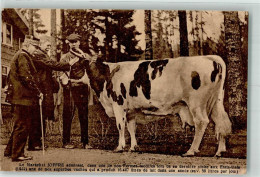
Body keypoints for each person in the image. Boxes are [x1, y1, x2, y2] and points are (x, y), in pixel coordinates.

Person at [28, 35, 79, 151]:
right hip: (40, 90)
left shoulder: (43, 54)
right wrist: (68, 64)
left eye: (50, 46)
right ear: (40, 44)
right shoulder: (38, 54)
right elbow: (52, 65)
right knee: (38, 117)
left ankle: (37, 142)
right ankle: (35, 143)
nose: (49, 48)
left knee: (42, 116)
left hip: (45, 89)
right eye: (47, 45)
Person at [3, 35, 42, 161]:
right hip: (23, 98)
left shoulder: (19, 55)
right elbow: (26, 77)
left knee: (19, 125)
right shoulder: (23, 56)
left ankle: (9, 151)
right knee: (23, 125)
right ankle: (18, 154)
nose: (36, 50)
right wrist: (38, 92)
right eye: (34, 47)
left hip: (18, 97)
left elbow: (11, 76)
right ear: (26, 45)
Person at [60, 33, 91, 149]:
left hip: (82, 88)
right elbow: (61, 73)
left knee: (84, 114)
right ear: (68, 43)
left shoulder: (85, 56)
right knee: (68, 114)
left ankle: (85, 142)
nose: (73, 44)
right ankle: (66, 141)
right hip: (70, 88)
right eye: (71, 42)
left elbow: (90, 71)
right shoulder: (65, 57)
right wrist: (68, 83)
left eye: (75, 42)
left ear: (79, 42)